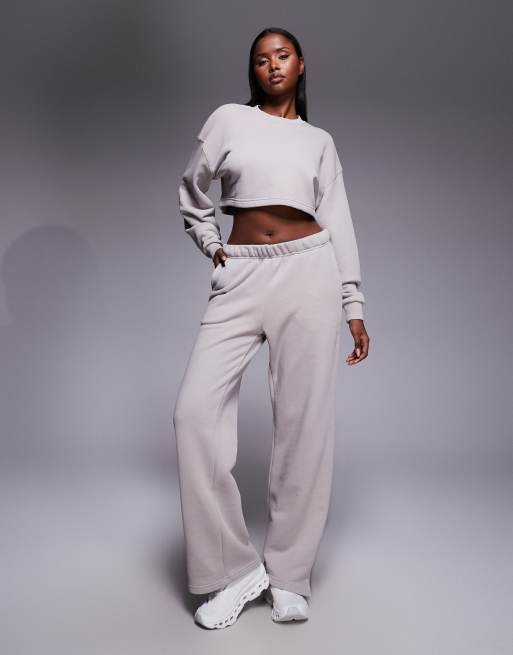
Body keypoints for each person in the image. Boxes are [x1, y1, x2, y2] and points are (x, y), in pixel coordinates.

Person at [173, 27, 370, 629]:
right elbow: (191, 189)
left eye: (282, 56)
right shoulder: (229, 120)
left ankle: (289, 575)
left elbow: (338, 219)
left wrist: (353, 304)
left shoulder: (319, 142)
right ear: (253, 71)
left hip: (309, 271)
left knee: (304, 426)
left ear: (300, 64)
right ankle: (233, 571)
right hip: (241, 272)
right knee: (193, 414)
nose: (273, 65)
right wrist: (211, 242)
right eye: (262, 59)